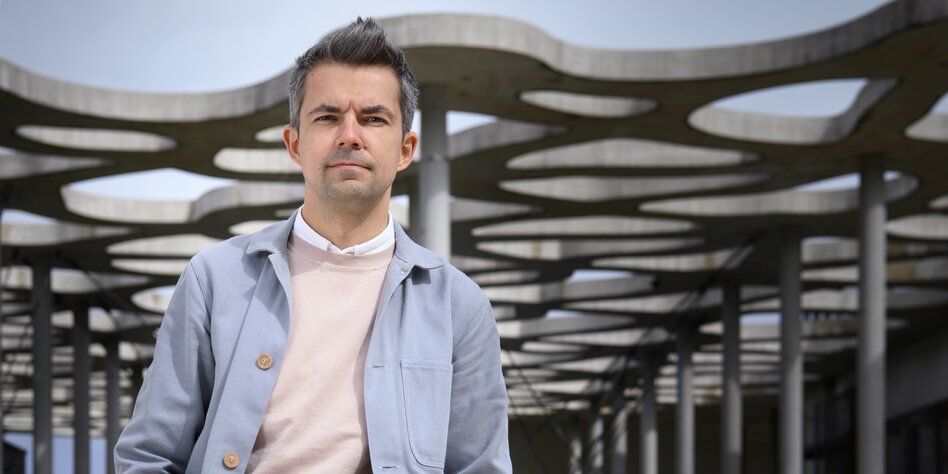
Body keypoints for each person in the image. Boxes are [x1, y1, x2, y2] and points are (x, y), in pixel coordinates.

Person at [114, 17, 511, 473]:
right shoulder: (214, 281)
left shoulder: (459, 307)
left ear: (405, 149)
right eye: (327, 117)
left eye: (373, 118)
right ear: (294, 144)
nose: (349, 135)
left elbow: (480, 466)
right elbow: (149, 456)